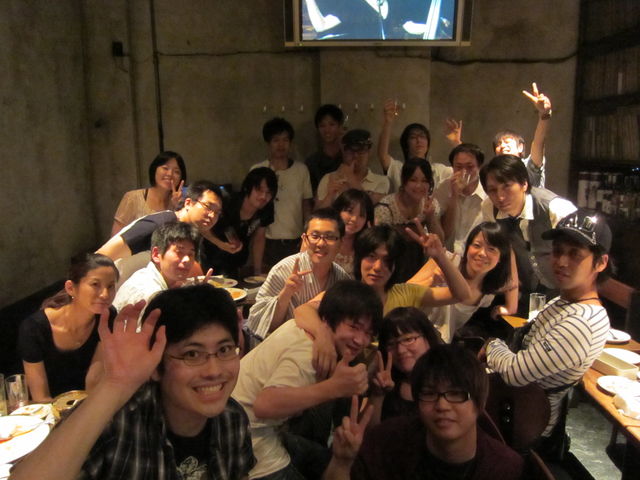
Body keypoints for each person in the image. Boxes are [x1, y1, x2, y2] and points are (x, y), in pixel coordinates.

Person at [11, 284, 256, 480]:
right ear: (156, 366)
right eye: (192, 354)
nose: (214, 371)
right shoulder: (119, 423)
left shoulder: (232, 419)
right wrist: (115, 384)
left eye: (224, 349)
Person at [482, 210, 612, 449]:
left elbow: (515, 372)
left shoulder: (582, 322)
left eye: (575, 254)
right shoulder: (565, 301)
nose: (561, 262)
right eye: (558, 251)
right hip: (507, 407)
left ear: (601, 262)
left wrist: (492, 346)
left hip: (520, 427)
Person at [232, 280, 383, 479]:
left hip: (246, 424)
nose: (360, 340)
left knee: (326, 459)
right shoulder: (309, 353)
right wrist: (334, 387)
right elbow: (264, 405)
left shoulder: (303, 328)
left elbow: (306, 309)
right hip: (245, 439)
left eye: (368, 334)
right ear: (329, 319)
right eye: (354, 327)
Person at [324, 344, 524, 479]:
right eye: (429, 393)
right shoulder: (388, 443)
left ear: (479, 402)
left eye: (456, 394)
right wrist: (341, 462)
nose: (442, 405)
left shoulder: (504, 468)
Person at [480, 155, 576, 315]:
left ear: (524, 183)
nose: (500, 197)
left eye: (507, 186)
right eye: (493, 190)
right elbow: (507, 254)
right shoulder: (489, 207)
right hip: (525, 294)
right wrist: (511, 305)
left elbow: (580, 257)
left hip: (565, 294)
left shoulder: (557, 209)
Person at [18, 253, 118, 402]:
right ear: (71, 288)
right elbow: (41, 398)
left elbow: (93, 381)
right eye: (95, 284)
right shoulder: (34, 328)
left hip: (87, 404)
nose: (105, 294)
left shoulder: (107, 316)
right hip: (46, 410)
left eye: (110, 286)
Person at [247, 208, 350, 339]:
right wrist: (286, 293)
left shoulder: (342, 279)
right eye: (315, 236)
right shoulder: (283, 269)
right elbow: (260, 324)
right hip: (284, 345)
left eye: (330, 237)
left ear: (341, 243)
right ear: (305, 239)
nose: (321, 243)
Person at [410, 222, 517, 343]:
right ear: (467, 248)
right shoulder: (445, 260)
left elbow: (512, 283)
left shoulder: (487, 295)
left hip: (440, 346)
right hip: (412, 335)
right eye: (476, 245)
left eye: (491, 249)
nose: (482, 253)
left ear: (501, 258)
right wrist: (431, 281)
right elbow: (402, 294)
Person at [445, 82, 552, 188]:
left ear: (520, 147)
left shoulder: (528, 166)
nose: (503, 146)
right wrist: (456, 143)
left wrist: (544, 115)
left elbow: (539, 143)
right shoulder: (493, 173)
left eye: (507, 141)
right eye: (499, 144)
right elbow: (471, 165)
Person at [97, 180, 222, 263]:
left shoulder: (188, 235)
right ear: (188, 203)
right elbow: (102, 256)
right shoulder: (160, 223)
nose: (212, 215)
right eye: (208, 207)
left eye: (217, 212)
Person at [251, 117, 314, 268]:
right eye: (276, 140)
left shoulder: (301, 170)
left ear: (291, 143)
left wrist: (308, 234)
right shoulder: (258, 170)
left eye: (285, 140)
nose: (281, 145)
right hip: (266, 242)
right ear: (268, 143)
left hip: (295, 241)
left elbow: (306, 204)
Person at [368, 307, 442, 424]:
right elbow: (369, 432)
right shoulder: (386, 384)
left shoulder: (450, 378)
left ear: (428, 337)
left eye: (408, 339)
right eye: (391, 344)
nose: (400, 350)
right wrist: (378, 395)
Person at [201, 167, 277, 277]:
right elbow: (202, 227)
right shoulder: (228, 201)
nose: (263, 196)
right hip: (209, 257)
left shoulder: (267, 208)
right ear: (248, 187)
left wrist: (257, 272)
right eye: (259, 190)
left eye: (268, 192)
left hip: (236, 263)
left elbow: (259, 238)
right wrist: (221, 244)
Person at [112, 222, 200, 312]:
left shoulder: (147, 275)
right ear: (156, 254)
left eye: (191, 254)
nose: (187, 259)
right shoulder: (151, 293)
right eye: (179, 252)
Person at [378, 98, 452, 193]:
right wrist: (387, 122)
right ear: (406, 144)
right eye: (413, 137)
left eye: (422, 137)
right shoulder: (398, 168)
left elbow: (462, 170)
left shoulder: (438, 170)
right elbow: (383, 155)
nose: (418, 140)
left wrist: (456, 142)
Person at [111, 151, 187, 236]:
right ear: (154, 169)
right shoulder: (132, 198)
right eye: (165, 168)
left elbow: (184, 237)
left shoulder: (182, 203)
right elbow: (115, 236)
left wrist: (178, 207)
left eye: (176, 172)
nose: (170, 174)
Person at [434, 143, 487, 256]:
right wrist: (454, 195)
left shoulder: (488, 192)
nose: (464, 172)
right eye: (458, 167)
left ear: (479, 167)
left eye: (470, 167)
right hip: (446, 254)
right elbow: (444, 234)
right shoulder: (444, 188)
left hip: (477, 255)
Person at [374, 157, 444, 241]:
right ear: (404, 181)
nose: (418, 186)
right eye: (413, 180)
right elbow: (379, 243)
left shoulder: (431, 204)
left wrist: (431, 217)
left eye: (424, 180)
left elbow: (440, 241)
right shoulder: (385, 207)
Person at [316, 129, 389, 208]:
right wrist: (330, 195)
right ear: (344, 152)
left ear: (369, 152)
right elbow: (317, 213)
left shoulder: (382, 181)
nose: (355, 156)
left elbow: (368, 207)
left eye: (360, 151)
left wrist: (350, 177)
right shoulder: (329, 178)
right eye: (351, 151)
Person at [332, 189, 374, 276]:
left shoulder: (366, 246)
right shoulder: (323, 239)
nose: (354, 219)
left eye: (361, 215)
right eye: (349, 211)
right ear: (338, 211)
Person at [305, 104, 345, 194]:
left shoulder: (348, 157)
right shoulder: (312, 162)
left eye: (332, 124)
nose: (327, 130)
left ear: (340, 126)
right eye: (322, 125)